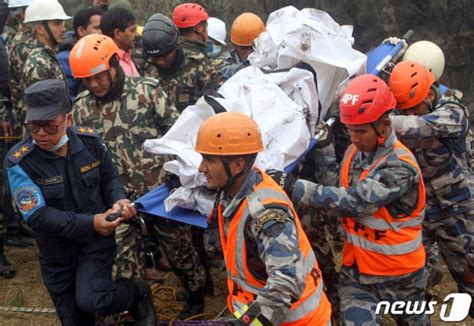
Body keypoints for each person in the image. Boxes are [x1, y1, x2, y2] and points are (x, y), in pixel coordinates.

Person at [70, 34, 208, 318]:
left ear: (112, 64)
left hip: (159, 194)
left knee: (178, 251)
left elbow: (178, 136)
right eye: (86, 80)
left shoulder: (147, 92)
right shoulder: (82, 107)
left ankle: (197, 295)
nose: (94, 84)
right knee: (122, 259)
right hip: (118, 200)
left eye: (98, 76)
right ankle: (138, 308)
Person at [5, 79, 157, 325]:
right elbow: (37, 216)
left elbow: (109, 179)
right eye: (34, 126)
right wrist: (91, 222)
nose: (41, 134)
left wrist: (118, 200)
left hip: (94, 244)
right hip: (56, 252)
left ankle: (136, 293)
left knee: (93, 301)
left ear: (68, 119)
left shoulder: (90, 142)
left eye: (49, 126)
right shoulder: (20, 162)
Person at [282, 74, 429, 325]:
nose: (354, 138)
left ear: (383, 125)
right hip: (358, 274)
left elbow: (354, 201)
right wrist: (326, 149)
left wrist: (294, 187)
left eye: (360, 131)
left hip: (403, 276)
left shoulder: (400, 166)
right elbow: (335, 191)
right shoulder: (355, 152)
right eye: (350, 130)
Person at [195, 112, 331, 325]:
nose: (201, 168)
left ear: (238, 165)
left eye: (209, 159)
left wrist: (248, 322)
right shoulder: (230, 191)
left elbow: (286, 282)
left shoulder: (266, 214)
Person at [389, 61, 474, 316]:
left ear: (429, 93)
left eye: (415, 107)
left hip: (458, 213)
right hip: (420, 216)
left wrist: (380, 122)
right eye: (406, 109)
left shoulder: (453, 112)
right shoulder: (402, 111)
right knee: (407, 282)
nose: (411, 114)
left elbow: (421, 127)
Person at [142, 13, 223, 113]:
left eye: (165, 56)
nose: (160, 62)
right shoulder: (146, 68)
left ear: (175, 46)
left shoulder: (200, 66)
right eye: (155, 58)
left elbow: (223, 102)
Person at [21, 0, 69, 91]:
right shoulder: (40, 64)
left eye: (62, 23)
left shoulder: (46, 55)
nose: (63, 29)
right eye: (57, 24)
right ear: (40, 29)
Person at [58, 7, 102, 98]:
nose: (101, 32)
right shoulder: (66, 59)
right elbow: (67, 96)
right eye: (97, 28)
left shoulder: (105, 53)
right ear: (81, 31)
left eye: (102, 27)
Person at [221, 12, 265, 79]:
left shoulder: (270, 57)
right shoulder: (226, 60)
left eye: (254, 47)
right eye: (244, 48)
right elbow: (221, 71)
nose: (249, 53)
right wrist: (245, 68)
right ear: (235, 45)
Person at [100, 7, 139, 77]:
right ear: (117, 33)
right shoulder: (109, 65)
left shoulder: (128, 56)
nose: (137, 34)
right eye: (132, 30)